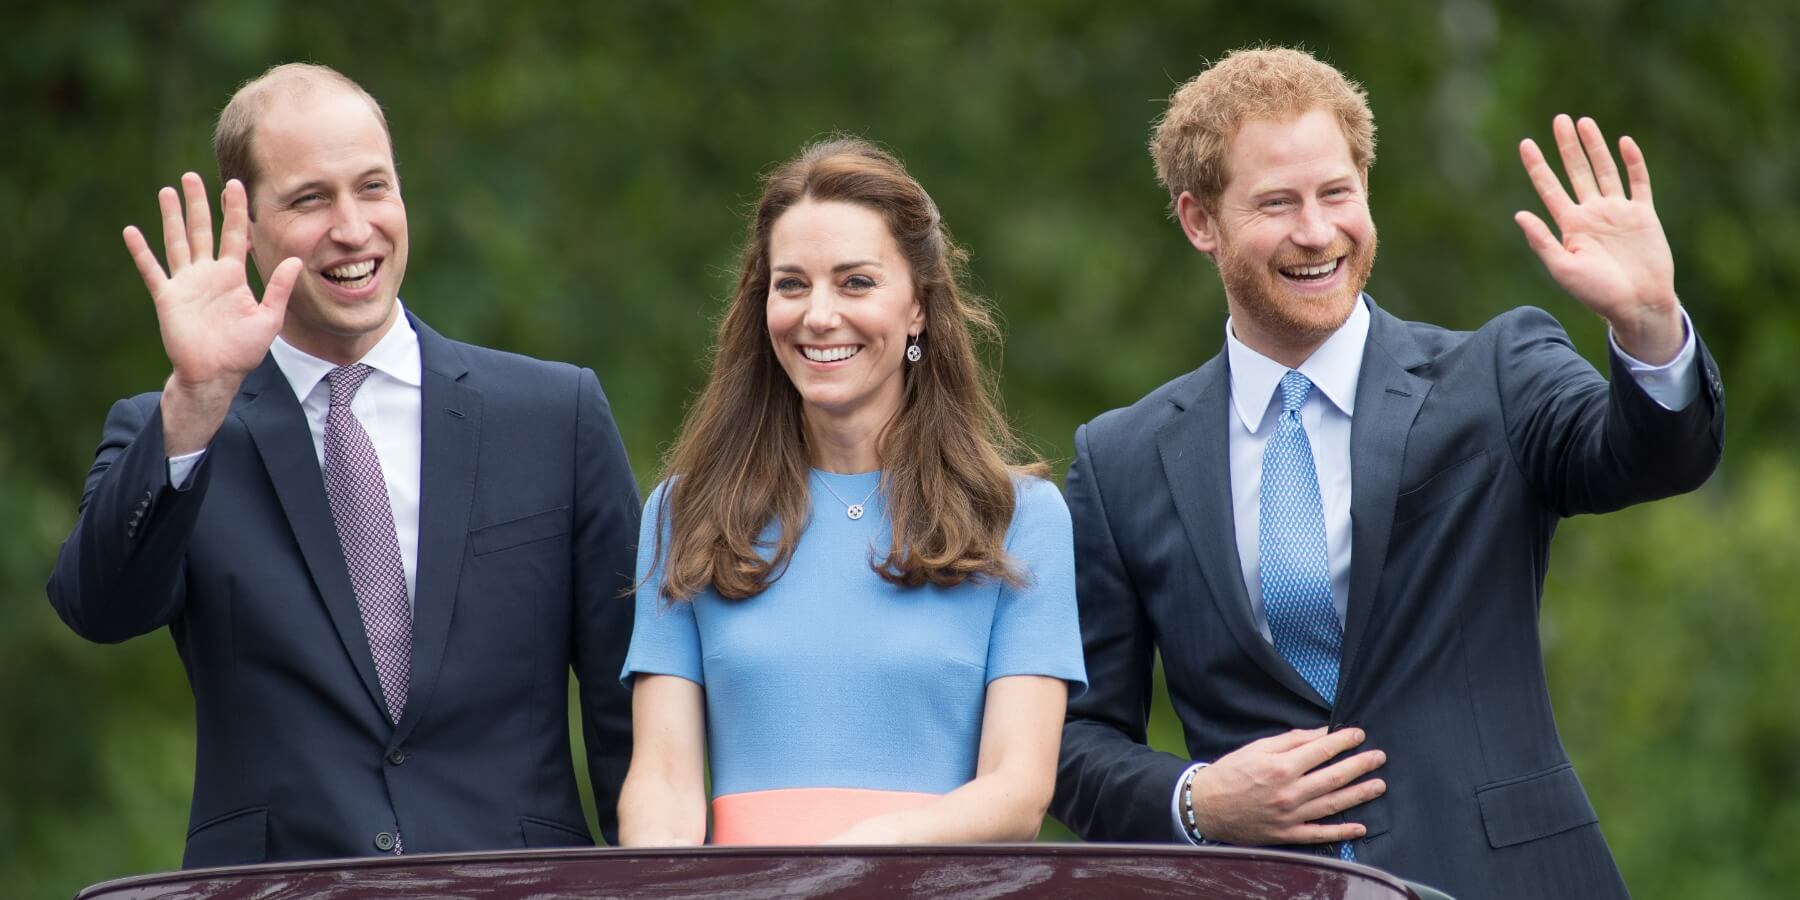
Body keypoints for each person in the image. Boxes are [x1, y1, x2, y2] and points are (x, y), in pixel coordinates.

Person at [1050, 47, 1721, 900]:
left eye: (1336, 193)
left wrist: (1652, 326)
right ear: (1199, 221)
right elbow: (1071, 742)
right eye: (1276, 203)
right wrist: (1198, 799)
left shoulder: (1499, 372)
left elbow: (1652, 458)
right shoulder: (1119, 459)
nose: (1317, 231)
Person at [46, 63, 640, 867]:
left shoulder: (555, 417)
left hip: (517, 882)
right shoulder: (175, 426)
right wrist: (196, 398)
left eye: (373, 188)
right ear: (245, 226)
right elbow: (97, 608)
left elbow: (629, 721)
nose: (353, 228)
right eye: (310, 199)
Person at [616, 138, 1085, 846]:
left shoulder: (1020, 519)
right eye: (792, 284)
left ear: (919, 308)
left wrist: (856, 864)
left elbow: (1018, 791)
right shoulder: (687, 512)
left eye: (856, 282)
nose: (819, 314)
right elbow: (663, 778)